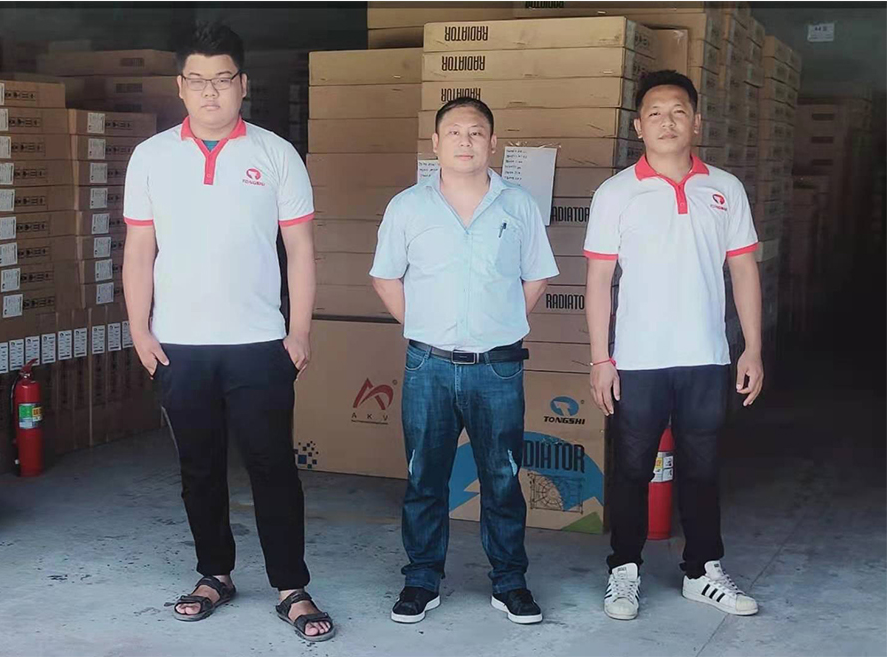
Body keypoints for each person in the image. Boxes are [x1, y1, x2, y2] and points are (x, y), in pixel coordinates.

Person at [122, 22, 334, 642]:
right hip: (178, 346)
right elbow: (139, 250)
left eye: (221, 80)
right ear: (180, 87)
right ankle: (214, 574)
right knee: (199, 468)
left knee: (273, 467)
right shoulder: (151, 157)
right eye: (197, 80)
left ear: (243, 84)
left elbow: (301, 250)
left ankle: (291, 587)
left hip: (259, 344)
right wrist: (139, 329)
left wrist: (299, 331)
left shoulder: (276, 154)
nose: (209, 92)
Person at [370, 97, 559, 625]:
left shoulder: (517, 204)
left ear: (493, 143)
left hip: (497, 367)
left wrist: (497, 323)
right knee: (424, 477)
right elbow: (385, 277)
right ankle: (421, 579)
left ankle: (510, 582)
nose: (465, 141)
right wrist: (424, 326)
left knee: (502, 478)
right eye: (454, 132)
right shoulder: (408, 206)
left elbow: (536, 277)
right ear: (435, 143)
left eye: (476, 132)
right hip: (427, 365)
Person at [583, 70, 763, 621]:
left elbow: (744, 271)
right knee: (632, 470)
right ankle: (624, 570)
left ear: (697, 122)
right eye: (655, 113)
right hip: (638, 359)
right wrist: (601, 359)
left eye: (679, 111)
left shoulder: (725, 189)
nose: (668, 122)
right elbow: (598, 282)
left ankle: (702, 571)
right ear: (638, 126)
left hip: (706, 356)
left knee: (702, 469)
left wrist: (752, 348)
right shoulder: (616, 193)